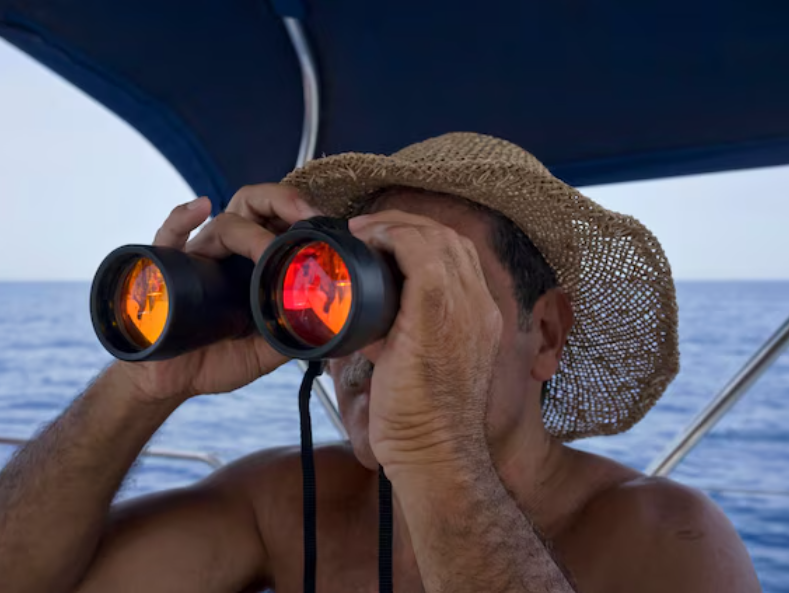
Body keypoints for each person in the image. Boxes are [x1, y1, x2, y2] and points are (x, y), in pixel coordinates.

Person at [0, 133, 761, 593]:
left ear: (547, 333)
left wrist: (433, 447)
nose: (369, 344)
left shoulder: (665, 536)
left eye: (438, 293)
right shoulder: (288, 502)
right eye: (356, 288)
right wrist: (142, 384)